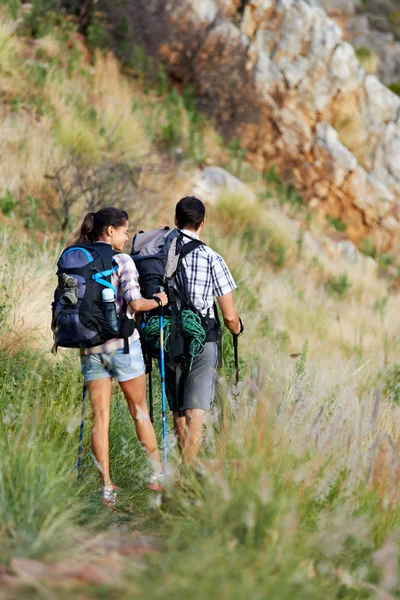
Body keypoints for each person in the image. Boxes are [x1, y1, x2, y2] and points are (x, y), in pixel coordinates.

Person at [77, 207, 168, 505]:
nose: (128, 237)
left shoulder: (78, 257)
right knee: (139, 410)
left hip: (91, 348)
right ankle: (156, 475)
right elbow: (136, 304)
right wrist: (158, 300)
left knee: (99, 418)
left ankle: (106, 486)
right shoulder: (123, 261)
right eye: (125, 231)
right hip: (124, 346)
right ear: (111, 231)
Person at [165, 196, 243, 463]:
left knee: (177, 407)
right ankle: (186, 477)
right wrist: (237, 328)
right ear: (202, 224)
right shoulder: (212, 257)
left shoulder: (161, 252)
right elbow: (230, 316)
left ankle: (182, 466)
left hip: (169, 337)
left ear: (176, 220)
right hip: (203, 339)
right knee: (196, 409)